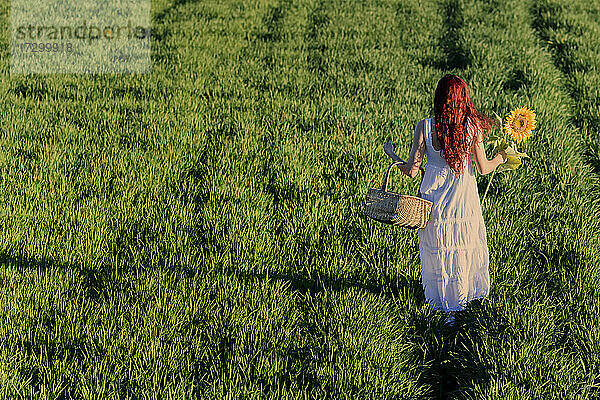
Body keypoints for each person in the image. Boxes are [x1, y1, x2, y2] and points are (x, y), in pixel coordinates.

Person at [383, 74, 507, 326]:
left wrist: (391, 153)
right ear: (464, 99)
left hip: (433, 200)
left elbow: (412, 170)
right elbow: (483, 168)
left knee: (439, 250)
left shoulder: (425, 126)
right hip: (463, 199)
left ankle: (444, 306)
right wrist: (502, 158)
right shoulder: (472, 126)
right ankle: (463, 302)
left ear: (439, 97)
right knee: (463, 246)